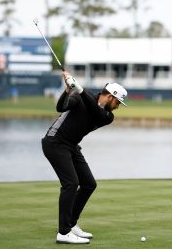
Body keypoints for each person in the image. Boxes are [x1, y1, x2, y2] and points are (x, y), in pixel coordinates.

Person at [41, 71, 128, 244]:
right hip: (54, 142)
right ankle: (63, 232)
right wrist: (68, 91)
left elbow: (94, 110)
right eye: (118, 102)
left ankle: (71, 224)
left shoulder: (107, 116)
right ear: (110, 97)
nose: (118, 106)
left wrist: (79, 89)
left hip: (71, 146)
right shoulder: (80, 98)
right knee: (71, 183)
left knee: (89, 184)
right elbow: (60, 107)